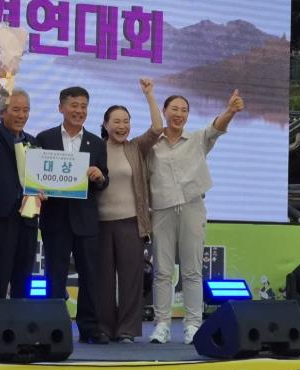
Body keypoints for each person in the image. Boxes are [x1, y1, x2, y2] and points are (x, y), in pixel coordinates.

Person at [148, 90, 244, 345]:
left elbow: (216, 128)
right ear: (164, 111)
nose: (179, 114)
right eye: (174, 109)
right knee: (162, 271)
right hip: (162, 210)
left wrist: (230, 111)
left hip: (192, 207)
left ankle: (192, 324)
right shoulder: (152, 144)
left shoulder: (197, 139)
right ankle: (162, 324)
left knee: (192, 271)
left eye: (184, 110)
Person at [36, 86, 109, 344]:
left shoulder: (97, 143)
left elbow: (104, 179)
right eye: (74, 105)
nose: (79, 111)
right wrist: (37, 188)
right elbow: (34, 175)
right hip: (55, 219)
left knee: (90, 276)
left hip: (85, 220)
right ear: (61, 108)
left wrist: (99, 177)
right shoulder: (44, 138)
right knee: (54, 276)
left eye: (83, 106)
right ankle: (54, 329)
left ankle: (89, 328)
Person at [97, 78, 163, 343]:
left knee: (131, 280)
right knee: (102, 280)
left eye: (126, 121)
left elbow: (157, 128)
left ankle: (127, 330)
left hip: (131, 222)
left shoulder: (136, 147)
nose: (122, 126)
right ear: (105, 125)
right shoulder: (94, 148)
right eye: (116, 121)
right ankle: (103, 328)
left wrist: (149, 95)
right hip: (100, 224)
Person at [0, 74, 38, 299]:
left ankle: (19, 319)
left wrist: (40, 192)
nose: (22, 115)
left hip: (28, 216)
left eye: (26, 110)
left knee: (23, 277)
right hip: (0, 216)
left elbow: (38, 178)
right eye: (16, 110)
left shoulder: (33, 141)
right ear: (2, 112)